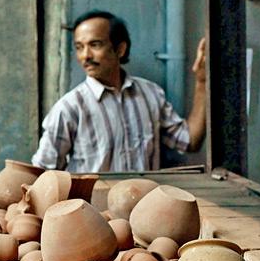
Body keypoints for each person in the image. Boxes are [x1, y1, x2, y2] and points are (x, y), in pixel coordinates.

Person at [31, 10, 207, 172]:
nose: (85, 56)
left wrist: (202, 81)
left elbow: (190, 141)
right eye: (79, 47)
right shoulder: (69, 108)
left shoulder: (150, 94)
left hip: (145, 205)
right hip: (93, 206)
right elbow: (43, 172)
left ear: (120, 49)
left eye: (95, 44)